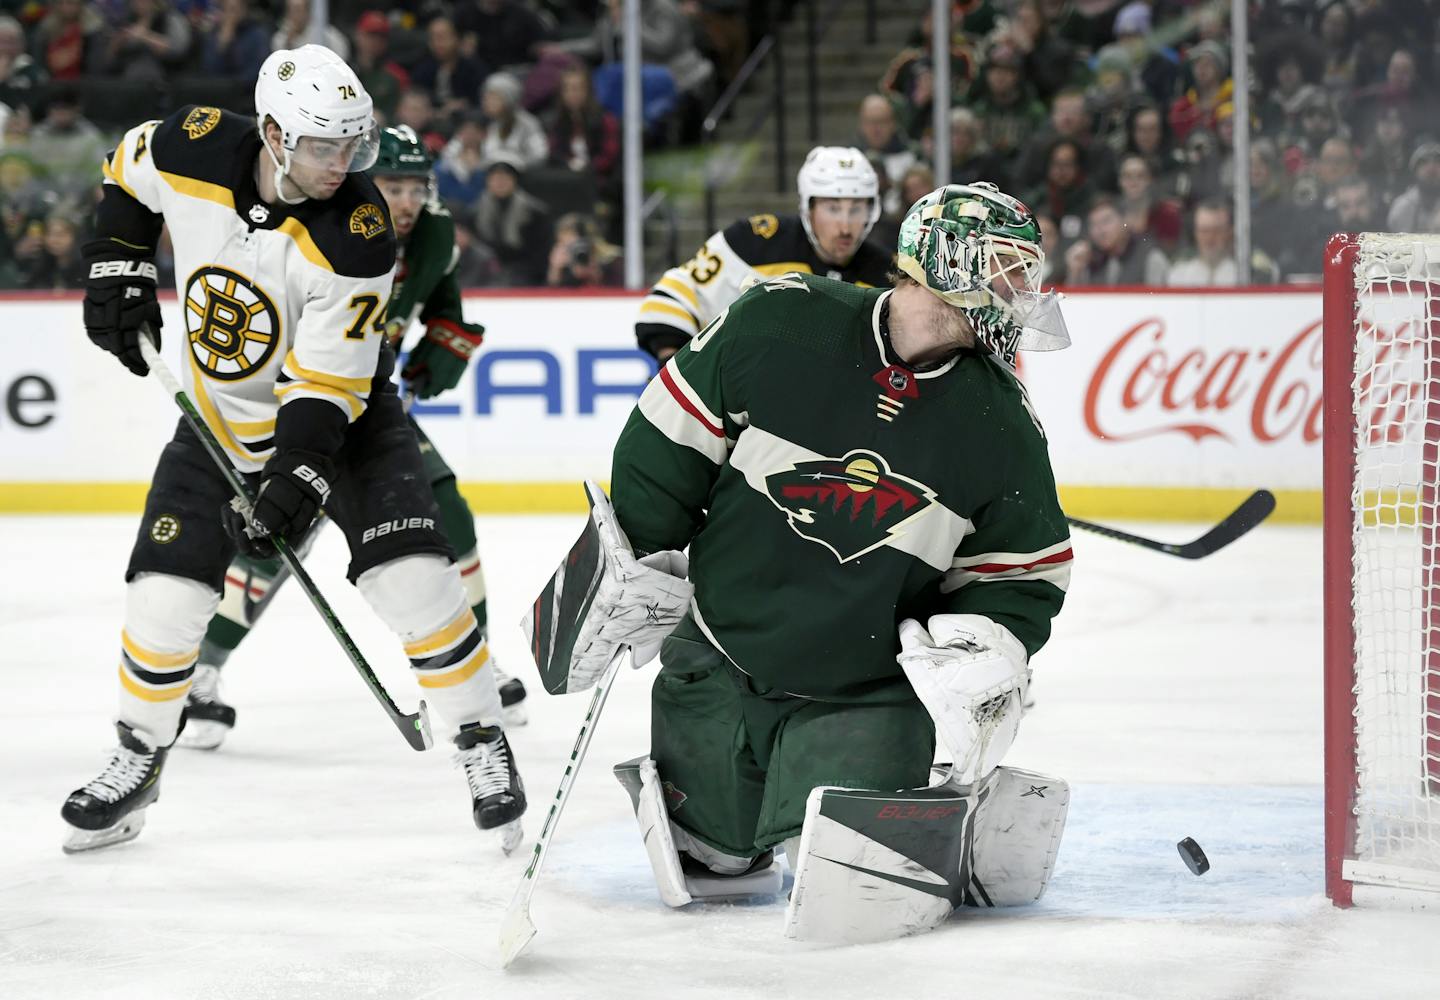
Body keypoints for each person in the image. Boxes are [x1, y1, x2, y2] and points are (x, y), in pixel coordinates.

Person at [536, 182, 1073, 936]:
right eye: (1007, 269)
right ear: (948, 264)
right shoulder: (781, 321)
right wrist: (633, 555)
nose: (1023, 291)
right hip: (723, 653)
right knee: (710, 867)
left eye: (1027, 272)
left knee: (847, 888)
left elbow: (1020, 572)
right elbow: (665, 448)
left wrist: (986, 641)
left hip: (866, 691)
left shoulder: (1001, 422)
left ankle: (937, 814)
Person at [61, 45, 525, 854]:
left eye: (351, 145)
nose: (340, 163)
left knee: (414, 580)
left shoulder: (359, 228)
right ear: (274, 134)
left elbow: (329, 389)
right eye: (321, 146)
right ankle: (138, 756)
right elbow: (129, 169)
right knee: (164, 600)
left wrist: (298, 476)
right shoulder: (195, 142)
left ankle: (481, 738)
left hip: (345, 424)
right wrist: (120, 261)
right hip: (216, 419)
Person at [179, 124, 529, 752]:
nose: (404, 200)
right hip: (292, 405)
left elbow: (442, 300)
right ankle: (197, 671)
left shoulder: (434, 234)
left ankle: (470, 662)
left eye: (415, 187)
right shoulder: (325, 220)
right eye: (392, 184)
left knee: (449, 512)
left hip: (366, 408)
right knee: (271, 542)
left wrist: (443, 348)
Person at [635, 146, 892, 363]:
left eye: (856, 209)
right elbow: (674, 296)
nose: (845, 227)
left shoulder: (888, 275)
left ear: (872, 211)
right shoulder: (753, 244)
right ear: (808, 207)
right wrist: (673, 365)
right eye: (833, 209)